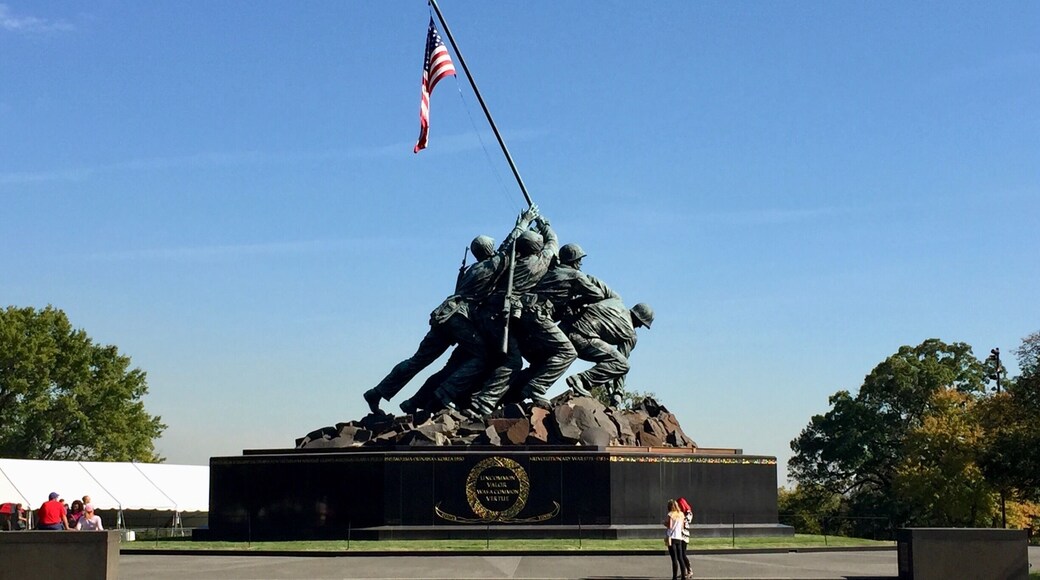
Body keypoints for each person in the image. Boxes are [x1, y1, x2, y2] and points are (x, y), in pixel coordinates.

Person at [362, 206, 540, 414]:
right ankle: (444, 394)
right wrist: (523, 223)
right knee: (483, 356)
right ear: (489, 250)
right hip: (460, 317)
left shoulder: (472, 269)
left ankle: (378, 392)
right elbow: (508, 247)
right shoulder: (489, 266)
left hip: (444, 315)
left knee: (417, 360)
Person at [468, 213, 576, 416]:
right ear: (537, 248)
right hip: (503, 316)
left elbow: (504, 247)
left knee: (508, 358)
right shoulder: (539, 263)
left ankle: (490, 397)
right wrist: (544, 224)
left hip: (488, 313)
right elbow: (553, 241)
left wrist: (523, 224)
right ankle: (484, 401)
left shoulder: (506, 263)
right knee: (514, 361)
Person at [563, 299, 654, 407]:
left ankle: (582, 386)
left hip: (566, 329)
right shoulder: (630, 333)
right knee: (623, 365)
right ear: (638, 318)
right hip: (582, 339)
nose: (639, 327)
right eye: (641, 324)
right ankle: (581, 380)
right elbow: (620, 363)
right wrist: (618, 392)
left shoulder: (616, 303)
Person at [664, 499, 689, 580]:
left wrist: (665, 523)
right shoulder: (681, 514)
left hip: (672, 538)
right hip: (679, 538)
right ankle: (683, 576)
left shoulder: (671, 514)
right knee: (680, 558)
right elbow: (682, 526)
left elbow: (670, 526)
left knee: (674, 559)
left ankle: (674, 577)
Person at [678, 497, 694, 577]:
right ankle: (684, 570)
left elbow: (685, 522)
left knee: (683, 554)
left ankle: (689, 570)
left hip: (684, 535)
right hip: (680, 534)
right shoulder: (682, 513)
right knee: (680, 554)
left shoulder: (688, 513)